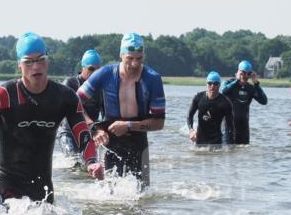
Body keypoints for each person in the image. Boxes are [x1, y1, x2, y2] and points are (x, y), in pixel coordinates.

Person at [0, 32, 103, 206]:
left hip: (43, 188)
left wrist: (91, 162)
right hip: (6, 183)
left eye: (40, 60)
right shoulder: (5, 95)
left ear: (48, 61)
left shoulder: (65, 97)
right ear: (19, 64)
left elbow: (83, 136)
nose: (35, 67)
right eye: (28, 62)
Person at [77, 33, 166, 188]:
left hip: (138, 142)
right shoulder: (105, 74)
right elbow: (74, 103)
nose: (134, 64)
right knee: (108, 193)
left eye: (139, 58)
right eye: (129, 58)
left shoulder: (152, 79)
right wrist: (94, 128)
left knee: (142, 196)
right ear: (121, 55)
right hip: (109, 140)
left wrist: (128, 126)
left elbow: (159, 123)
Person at [57, 49, 103, 159]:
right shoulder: (70, 83)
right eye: (91, 69)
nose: (94, 73)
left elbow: (106, 113)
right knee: (74, 162)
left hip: (89, 133)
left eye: (98, 70)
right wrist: (91, 123)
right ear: (83, 67)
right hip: (69, 133)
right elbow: (76, 107)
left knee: (90, 164)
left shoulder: (101, 88)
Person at [220, 60, 267, 144]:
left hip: (243, 126)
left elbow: (264, 101)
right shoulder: (228, 83)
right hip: (228, 125)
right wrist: (237, 80)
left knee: (243, 151)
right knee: (227, 151)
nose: (244, 76)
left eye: (247, 74)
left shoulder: (250, 88)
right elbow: (223, 91)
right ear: (237, 73)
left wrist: (256, 83)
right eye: (242, 73)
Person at [188, 72, 234, 146]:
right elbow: (189, 115)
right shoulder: (198, 98)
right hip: (200, 139)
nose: (212, 86)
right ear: (206, 84)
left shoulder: (225, 103)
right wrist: (191, 130)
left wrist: (231, 147)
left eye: (216, 84)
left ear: (219, 85)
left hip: (216, 141)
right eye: (210, 83)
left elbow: (230, 127)